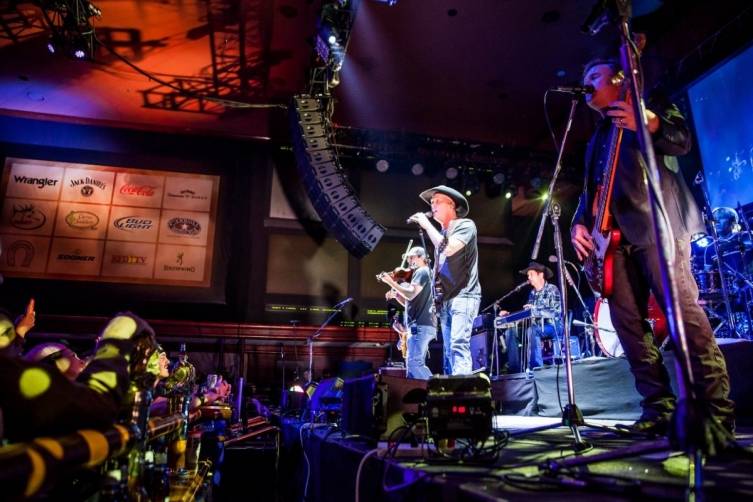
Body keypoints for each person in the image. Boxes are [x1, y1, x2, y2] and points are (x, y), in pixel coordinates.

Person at [570, 57, 734, 439]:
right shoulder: (596, 137)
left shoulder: (650, 100)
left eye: (593, 75)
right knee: (628, 327)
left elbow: (682, 140)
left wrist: (651, 122)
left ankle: (715, 410)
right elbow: (589, 191)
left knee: (683, 318)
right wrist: (580, 222)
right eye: (584, 77)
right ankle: (657, 407)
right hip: (612, 243)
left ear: (618, 77)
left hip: (658, 228)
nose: (587, 82)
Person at [407, 185, 480, 375]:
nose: (432, 205)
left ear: (451, 204)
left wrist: (426, 224)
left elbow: (448, 248)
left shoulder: (466, 225)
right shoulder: (441, 234)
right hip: (446, 301)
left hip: (464, 295)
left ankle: (464, 393)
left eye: (437, 201)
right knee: (449, 351)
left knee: (458, 344)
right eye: (431, 202)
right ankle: (454, 391)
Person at [378, 246, 436, 379]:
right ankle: (424, 395)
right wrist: (397, 296)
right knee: (412, 367)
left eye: (412, 257)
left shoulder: (422, 271)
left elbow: (410, 295)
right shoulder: (424, 273)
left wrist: (391, 282)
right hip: (421, 325)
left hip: (420, 325)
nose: (409, 260)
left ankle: (436, 390)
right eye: (408, 257)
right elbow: (410, 302)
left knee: (414, 364)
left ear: (422, 258)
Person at [499, 262, 562, 374]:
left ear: (540, 275)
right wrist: (510, 315)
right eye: (528, 275)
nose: (528, 278)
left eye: (531, 274)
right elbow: (529, 314)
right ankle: (515, 369)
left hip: (553, 327)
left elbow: (556, 313)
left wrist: (535, 309)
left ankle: (536, 368)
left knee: (531, 330)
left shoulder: (552, 289)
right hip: (536, 327)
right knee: (510, 332)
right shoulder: (532, 293)